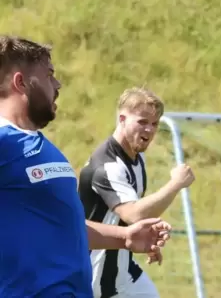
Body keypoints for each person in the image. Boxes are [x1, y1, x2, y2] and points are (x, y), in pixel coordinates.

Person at [0, 35, 171, 298]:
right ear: (21, 82)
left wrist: (124, 238)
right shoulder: (5, 141)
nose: (58, 84)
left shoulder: (45, 148)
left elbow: (66, 223)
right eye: (48, 75)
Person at [78, 87, 195, 298]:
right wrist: (176, 183)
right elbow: (135, 213)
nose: (149, 130)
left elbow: (129, 217)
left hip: (124, 271)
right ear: (122, 119)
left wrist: (147, 239)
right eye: (142, 122)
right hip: (97, 278)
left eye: (154, 124)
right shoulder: (108, 166)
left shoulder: (136, 158)